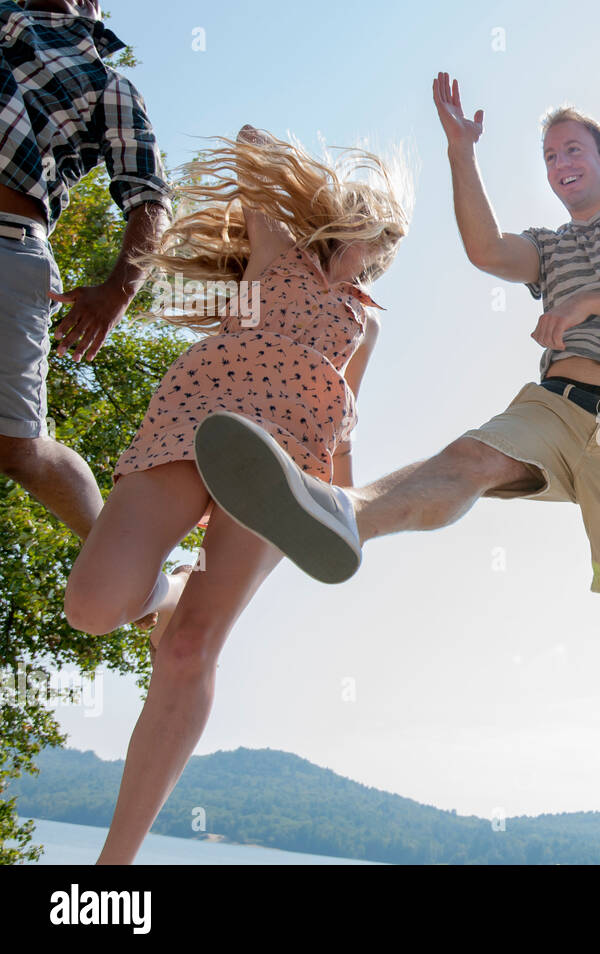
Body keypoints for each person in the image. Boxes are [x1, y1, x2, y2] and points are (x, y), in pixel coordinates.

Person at [193, 72, 600, 640]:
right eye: (550, 155)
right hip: (554, 406)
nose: (561, 163)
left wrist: (586, 302)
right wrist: (461, 151)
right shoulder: (549, 246)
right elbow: (486, 250)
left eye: (573, 149)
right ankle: (342, 512)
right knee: (471, 461)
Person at [61, 125, 410, 864]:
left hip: (282, 465)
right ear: (349, 225)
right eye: (371, 244)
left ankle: (111, 870)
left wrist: (337, 505)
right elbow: (252, 142)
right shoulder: (276, 244)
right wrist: (316, 187)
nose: (373, 264)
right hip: (201, 418)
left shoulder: (365, 323)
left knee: (192, 648)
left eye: (384, 256)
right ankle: (166, 590)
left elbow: (344, 423)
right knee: (92, 607)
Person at [0, 0, 168, 609]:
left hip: (9, 247)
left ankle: (137, 577)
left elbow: (150, 199)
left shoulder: (106, 85)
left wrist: (116, 293)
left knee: (15, 446)